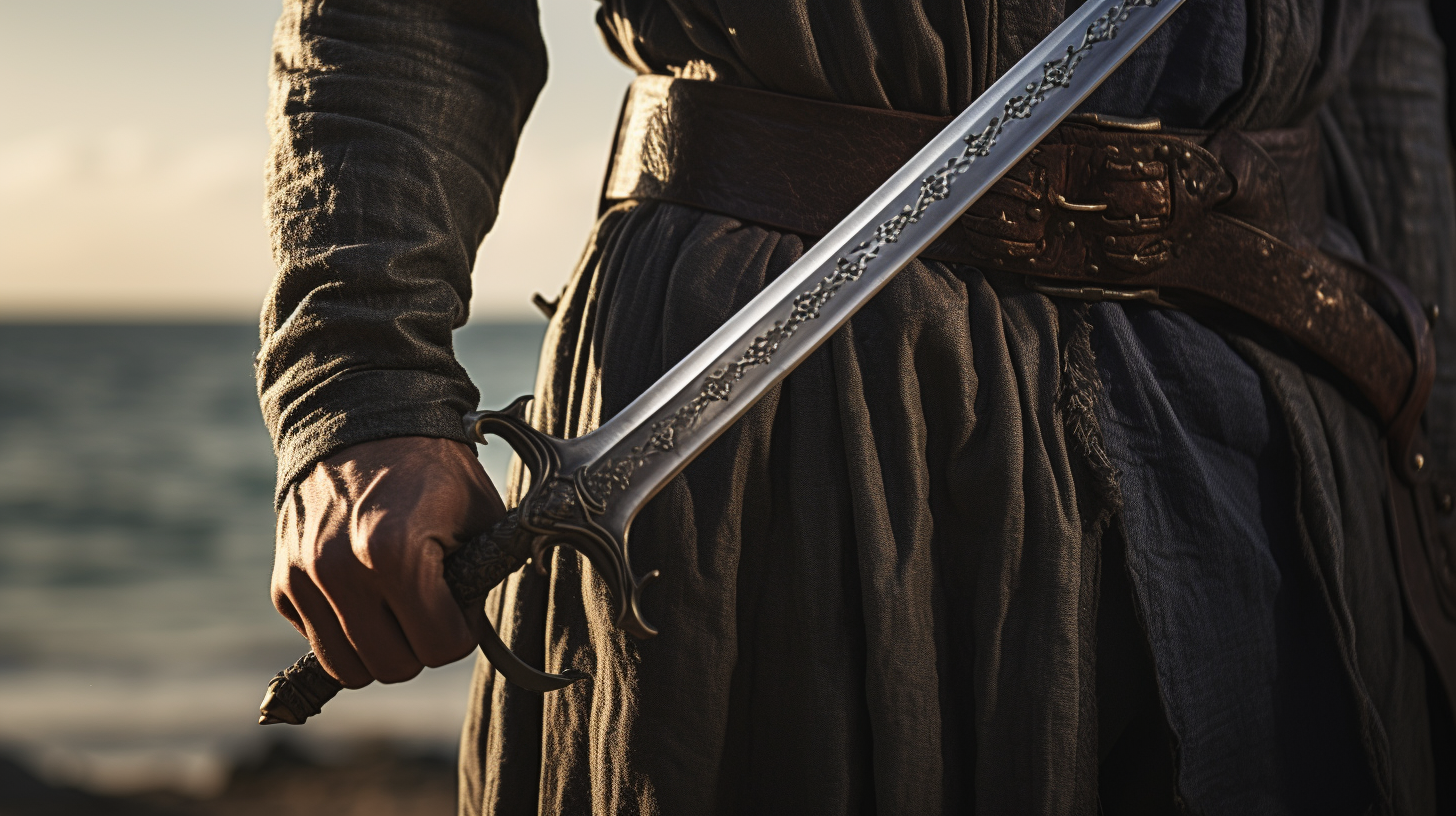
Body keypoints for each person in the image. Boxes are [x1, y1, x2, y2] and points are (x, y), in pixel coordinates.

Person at [259, 0, 1456, 812]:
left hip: (1277, 431)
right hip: (787, 422)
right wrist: (357, 375)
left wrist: (1431, 442)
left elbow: (1391, 69)